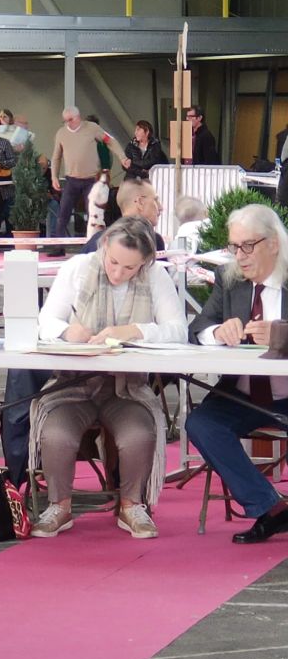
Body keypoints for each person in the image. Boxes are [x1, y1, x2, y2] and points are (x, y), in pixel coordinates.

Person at [31, 216, 187, 539]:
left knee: (139, 436)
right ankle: (59, 506)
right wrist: (66, 331)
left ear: (145, 262)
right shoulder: (77, 268)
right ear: (103, 245)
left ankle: (132, 506)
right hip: (72, 386)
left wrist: (134, 331)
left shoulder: (156, 276)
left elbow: (178, 331)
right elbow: (44, 321)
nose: (118, 273)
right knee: (57, 435)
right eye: (113, 262)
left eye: (129, 268)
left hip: (127, 389)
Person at [186, 203, 288, 544]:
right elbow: (196, 327)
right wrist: (217, 332)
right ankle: (269, 507)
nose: (239, 256)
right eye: (234, 246)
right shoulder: (230, 281)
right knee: (201, 423)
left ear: (273, 243)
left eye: (248, 245)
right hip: (242, 395)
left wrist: (281, 334)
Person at [50, 107, 130, 252]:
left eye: (70, 120)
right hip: (71, 180)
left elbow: (110, 141)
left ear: (78, 117)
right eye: (65, 121)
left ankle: (95, 246)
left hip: (91, 180)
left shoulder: (92, 128)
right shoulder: (61, 133)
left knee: (94, 215)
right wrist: (54, 176)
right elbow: (56, 157)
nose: (68, 123)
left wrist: (122, 157)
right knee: (63, 213)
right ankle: (58, 246)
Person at [82, 178, 164, 254]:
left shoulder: (97, 239)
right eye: (155, 200)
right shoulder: (152, 240)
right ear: (140, 202)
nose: (161, 207)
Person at [86, 171, 110, 240]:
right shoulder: (97, 187)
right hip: (94, 219)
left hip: (101, 219)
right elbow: (96, 201)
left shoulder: (106, 188)